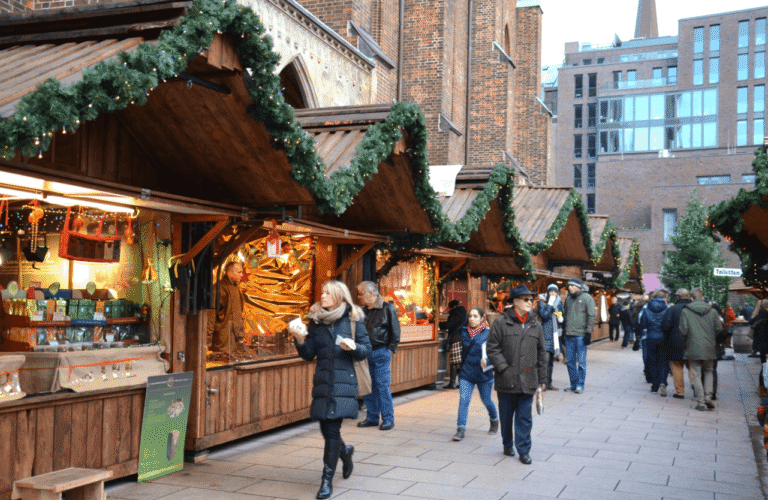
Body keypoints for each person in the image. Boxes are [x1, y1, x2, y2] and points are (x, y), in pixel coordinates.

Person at [290, 280, 372, 499]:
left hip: (345, 381)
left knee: (332, 430)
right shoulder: (316, 321)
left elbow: (366, 349)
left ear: (338, 296)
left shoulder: (353, 318)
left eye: (328, 293)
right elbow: (309, 354)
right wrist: (299, 339)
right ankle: (345, 452)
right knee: (326, 429)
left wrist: (353, 347)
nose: (323, 296)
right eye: (322, 292)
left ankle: (326, 481)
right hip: (324, 381)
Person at [486, 285, 546, 464]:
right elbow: (492, 348)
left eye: (531, 300)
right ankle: (507, 443)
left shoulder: (535, 324)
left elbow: (542, 353)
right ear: (515, 302)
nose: (530, 303)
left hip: (528, 380)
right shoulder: (501, 322)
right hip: (507, 380)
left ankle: (524, 450)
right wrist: (503, 368)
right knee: (506, 416)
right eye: (526, 299)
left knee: (524, 418)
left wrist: (542, 380)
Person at [356, 281, 400, 431]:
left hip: (381, 351)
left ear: (371, 293)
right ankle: (372, 418)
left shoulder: (387, 308)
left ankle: (388, 419)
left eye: (361, 294)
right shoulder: (363, 311)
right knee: (368, 387)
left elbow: (396, 331)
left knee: (382, 386)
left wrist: (390, 350)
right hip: (365, 353)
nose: (359, 297)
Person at [452, 307, 499, 441]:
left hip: (484, 374)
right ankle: (460, 429)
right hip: (466, 373)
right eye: (470, 316)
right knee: (464, 400)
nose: (471, 319)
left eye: (475, 316)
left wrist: (488, 360)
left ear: (482, 318)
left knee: (486, 400)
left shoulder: (488, 334)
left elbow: (495, 352)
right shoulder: (463, 332)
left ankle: (494, 419)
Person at [679, 287, 721, 412]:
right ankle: (708, 396)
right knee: (709, 371)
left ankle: (701, 401)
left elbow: (683, 330)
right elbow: (719, 328)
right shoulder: (713, 311)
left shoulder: (686, 311)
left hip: (693, 346)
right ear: (702, 297)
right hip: (709, 346)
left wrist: (686, 341)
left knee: (696, 373)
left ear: (691, 298)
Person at [562, 278, 596, 394]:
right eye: (569, 286)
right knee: (570, 362)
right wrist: (563, 331)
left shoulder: (587, 298)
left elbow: (592, 316)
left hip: (581, 335)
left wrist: (588, 333)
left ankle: (580, 385)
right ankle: (573, 384)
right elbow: (565, 315)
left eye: (572, 285)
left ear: (578, 286)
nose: (569, 287)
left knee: (581, 362)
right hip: (569, 335)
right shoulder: (568, 299)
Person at [661, 289, 695, 399]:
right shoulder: (694, 309)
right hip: (693, 342)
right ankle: (695, 385)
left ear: (677, 297)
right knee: (693, 367)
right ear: (688, 296)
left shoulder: (672, 309)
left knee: (677, 368)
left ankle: (680, 392)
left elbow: (665, 326)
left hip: (675, 342)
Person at [639, 290, 669, 395]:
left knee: (653, 361)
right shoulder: (667, 308)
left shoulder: (647, 308)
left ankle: (654, 386)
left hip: (650, 337)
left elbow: (642, 323)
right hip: (664, 338)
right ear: (665, 297)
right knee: (663, 361)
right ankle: (662, 381)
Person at [212, 261, 247, 353]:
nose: (241, 275)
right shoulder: (220, 288)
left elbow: (237, 316)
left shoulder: (235, 289)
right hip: (222, 341)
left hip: (233, 340)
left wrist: (240, 338)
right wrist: (207, 341)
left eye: (241, 272)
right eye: (238, 272)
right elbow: (211, 314)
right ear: (229, 273)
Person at [536, 284, 563, 390]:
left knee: (551, 362)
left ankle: (548, 383)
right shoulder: (542, 302)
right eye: (551, 291)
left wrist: (560, 316)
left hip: (555, 335)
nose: (553, 293)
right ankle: (542, 383)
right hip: (544, 333)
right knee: (545, 361)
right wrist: (550, 304)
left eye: (555, 292)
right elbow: (544, 315)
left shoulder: (559, 303)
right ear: (547, 292)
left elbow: (561, 317)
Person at [439, 300, 468, 389]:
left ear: (453, 307)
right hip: (464, 338)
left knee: (454, 362)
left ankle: (452, 383)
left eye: (450, 308)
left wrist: (440, 324)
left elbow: (449, 325)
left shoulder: (456, 313)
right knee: (462, 362)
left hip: (456, 338)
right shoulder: (465, 313)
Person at [750, 300, 768, 398]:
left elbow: (751, 321)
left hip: (761, 346)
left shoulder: (759, 315)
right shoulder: (765, 316)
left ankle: (762, 387)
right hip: (765, 346)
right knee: (765, 367)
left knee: (764, 366)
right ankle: (763, 388)